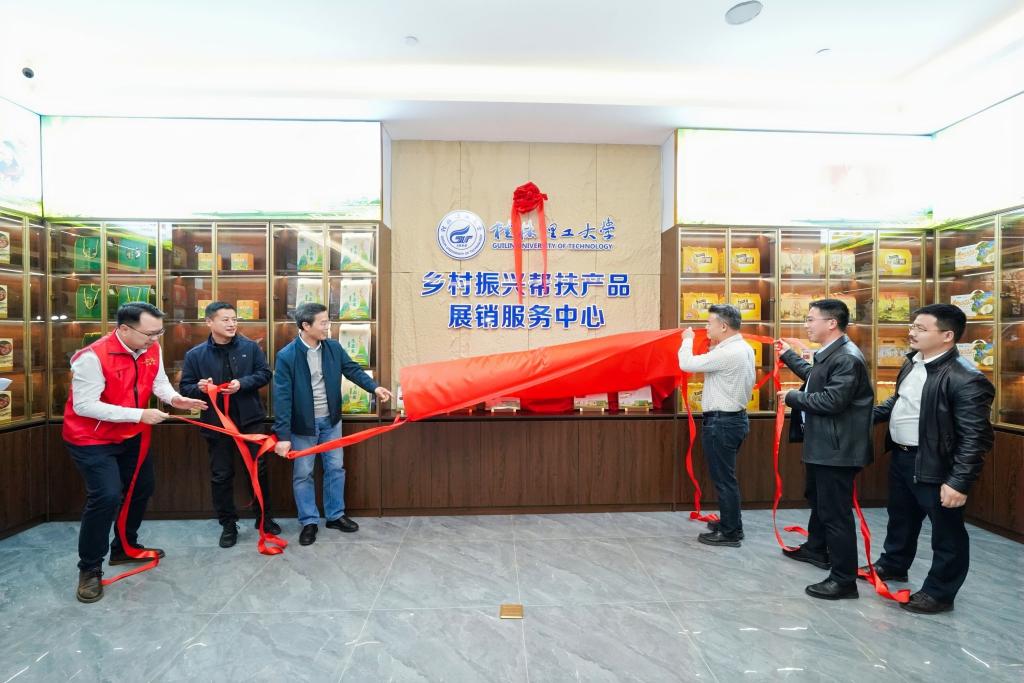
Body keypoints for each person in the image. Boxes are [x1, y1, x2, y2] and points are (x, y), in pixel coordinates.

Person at [64, 303, 208, 603]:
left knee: (141, 488)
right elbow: (84, 405)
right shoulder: (91, 357)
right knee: (106, 496)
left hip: (132, 435)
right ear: (124, 329)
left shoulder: (150, 347)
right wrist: (139, 415)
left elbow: (158, 381)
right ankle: (90, 568)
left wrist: (175, 399)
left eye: (159, 333)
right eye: (149, 334)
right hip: (92, 438)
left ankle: (124, 548)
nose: (154, 340)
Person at [864, 304, 994, 614]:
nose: (911, 332)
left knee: (946, 532)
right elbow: (901, 402)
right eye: (912, 326)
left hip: (937, 464)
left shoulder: (966, 378)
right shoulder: (913, 363)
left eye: (921, 328)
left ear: (947, 335)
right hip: (902, 456)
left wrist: (958, 482)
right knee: (901, 517)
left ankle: (939, 593)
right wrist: (863, 416)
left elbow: (976, 437)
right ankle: (893, 564)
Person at [776, 298, 874, 600]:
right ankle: (816, 549)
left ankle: (844, 580)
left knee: (835, 514)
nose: (806, 325)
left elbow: (832, 401)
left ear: (831, 323)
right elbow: (814, 379)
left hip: (837, 450)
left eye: (810, 319)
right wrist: (789, 356)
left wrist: (791, 397)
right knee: (819, 502)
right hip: (824, 446)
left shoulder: (847, 358)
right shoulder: (832, 354)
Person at [273, 303, 392, 545]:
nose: (328, 326)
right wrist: (282, 436)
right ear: (306, 326)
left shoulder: (333, 348)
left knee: (335, 468)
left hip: (331, 421)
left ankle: (335, 515)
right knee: (303, 473)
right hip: (303, 425)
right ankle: (309, 521)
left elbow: (353, 371)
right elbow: (282, 399)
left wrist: (374, 387)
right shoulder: (287, 356)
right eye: (323, 322)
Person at [179, 301, 280, 548]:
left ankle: (264, 518)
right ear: (209, 322)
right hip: (216, 423)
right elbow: (185, 387)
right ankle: (228, 524)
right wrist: (200, 388)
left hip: (250, 419)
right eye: (225, 319)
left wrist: (242, 384)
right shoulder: (195, 355)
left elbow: (265, 374)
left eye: (234, 319)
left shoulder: (250, 347)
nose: (232, 324)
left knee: (258, 469)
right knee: (221, 474)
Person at [678, 303, 756, 547]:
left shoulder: (728, 353)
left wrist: (687, 340)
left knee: (724, 479)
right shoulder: (743, 348)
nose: (706, 327)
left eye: (709, 322)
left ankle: (730, 533)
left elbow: (687, 364)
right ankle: (731, 524)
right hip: (733, 420)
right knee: (726, 477)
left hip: (722, 423)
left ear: (723, 326)